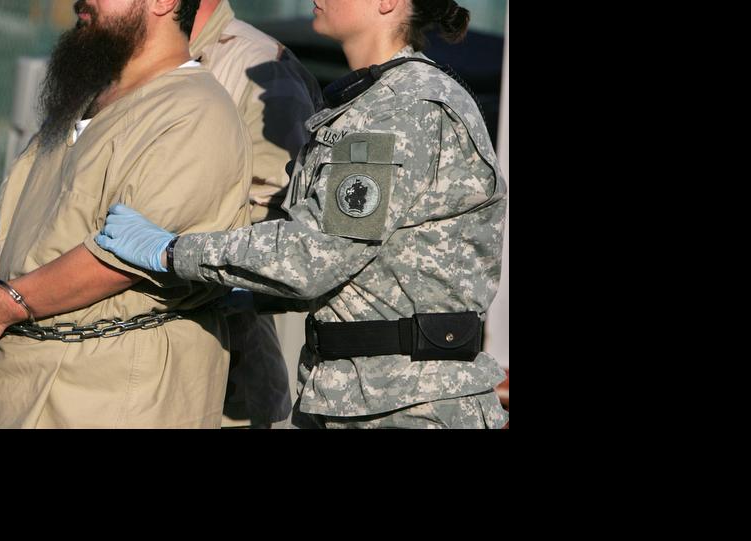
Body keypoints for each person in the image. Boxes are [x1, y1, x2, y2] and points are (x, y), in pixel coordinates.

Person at [97, 0, 508, 428]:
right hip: (364, 398)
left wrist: (172, 251)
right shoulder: (371, 102)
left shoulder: (399, 108)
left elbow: (314, 254)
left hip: (410, 408)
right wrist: (245, 292)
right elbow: (363, 266)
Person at [0, 0, 252, 428]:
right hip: (20, 389)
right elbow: (16, 225)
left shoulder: (195, 112)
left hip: (119, 397)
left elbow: (119, 259)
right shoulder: (83, 104)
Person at [188, 0, 323, 427]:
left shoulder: (262, 67)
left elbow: (282, 220)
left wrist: (168, 245)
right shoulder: (121, 59)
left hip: (220, 375)